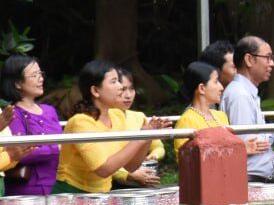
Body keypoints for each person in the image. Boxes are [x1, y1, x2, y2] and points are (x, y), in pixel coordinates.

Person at [53, 60, 167, 195]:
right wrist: (140, 138)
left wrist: (147, 137)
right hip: (71, 193)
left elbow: (130, 166)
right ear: (95, 91)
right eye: (114, 82)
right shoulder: (81, 122)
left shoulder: (116, 115)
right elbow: (104, 169)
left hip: (102, 194)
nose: (120, 87)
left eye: (119, 81)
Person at [221, 36, 274, 182]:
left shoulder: (246, 92)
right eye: (267, 57)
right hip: (250, 178)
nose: (272, 63)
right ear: (249, 60)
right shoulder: (240, 95)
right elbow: (250, 144)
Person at [0, 55, 61, 196]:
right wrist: (56, 148)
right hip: (27, 188)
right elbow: (21, 153)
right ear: (17, 83)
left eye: (40, 73)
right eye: (34, 75)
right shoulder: (12, 114)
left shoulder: (49, 110)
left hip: (55, 184)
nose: (41, 79)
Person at [111, 66, 163, 188]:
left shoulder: (139, 117)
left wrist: (153, 155)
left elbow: (158, 146)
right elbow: (101, 162)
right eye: (122, 90)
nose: (128, 95)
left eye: (131, 89)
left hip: (139, 179)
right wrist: (131, 174)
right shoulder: (104, 119)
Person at [175, 61, 231, 144]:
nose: (221, 87)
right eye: (215, 82)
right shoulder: (187, 121)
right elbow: (185, 155)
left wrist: (244, 148)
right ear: (201, 88)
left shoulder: (221, 116)